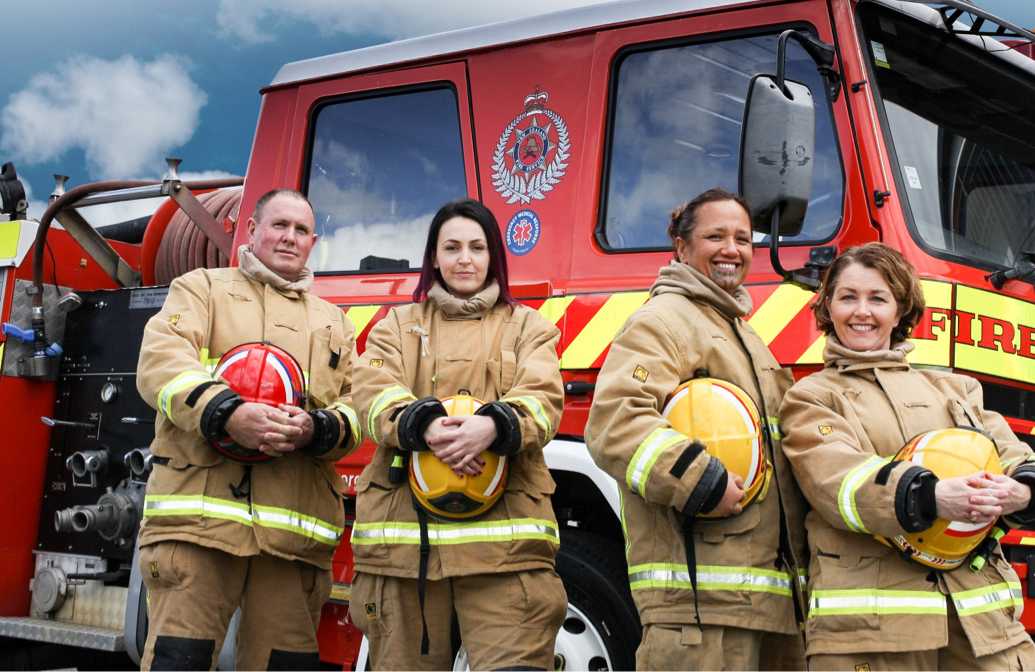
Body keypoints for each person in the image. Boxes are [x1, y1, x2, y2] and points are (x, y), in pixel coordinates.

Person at [780, 242, 1035, 672]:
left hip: (984, 631)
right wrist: (930, 497)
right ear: (828, 308)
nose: (862, 311)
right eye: (847, 297)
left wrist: (1021, 492)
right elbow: (835, 479)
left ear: (900, 310)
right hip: (874, 636)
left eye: (878, 298)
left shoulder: (957, 389)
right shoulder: (811, 396)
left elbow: (1013, 454)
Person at [136, 188, 362, 671]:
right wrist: (227, 412)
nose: (289, 237)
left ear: (313, 241)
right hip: (198, 532)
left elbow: (360, 409)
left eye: (301, 230)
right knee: (179, 662)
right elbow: (161, 365)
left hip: (291, 542)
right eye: (279, 225)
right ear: (252, 229)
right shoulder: (201, 289)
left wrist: (317, 427)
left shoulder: (335, 323)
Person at [585, 188, 809, 672]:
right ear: (682, 248)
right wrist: (699, 480)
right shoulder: (663, 321)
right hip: (700, 605)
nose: (733, 249)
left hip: (765, 603)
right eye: (716, 236)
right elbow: (614, 423)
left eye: (744, 239)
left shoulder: (742, 333)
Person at [348, 197, 567, 671]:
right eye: (452, 247)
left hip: (505, 556)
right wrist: (422, 426)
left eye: (477, 247)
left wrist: (493, 426)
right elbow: (369, 390)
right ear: (433, 257)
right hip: (406, 551)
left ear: (494, 258)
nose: (464, 259)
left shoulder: (530, 327)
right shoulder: (396, 327)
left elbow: (545, 398)